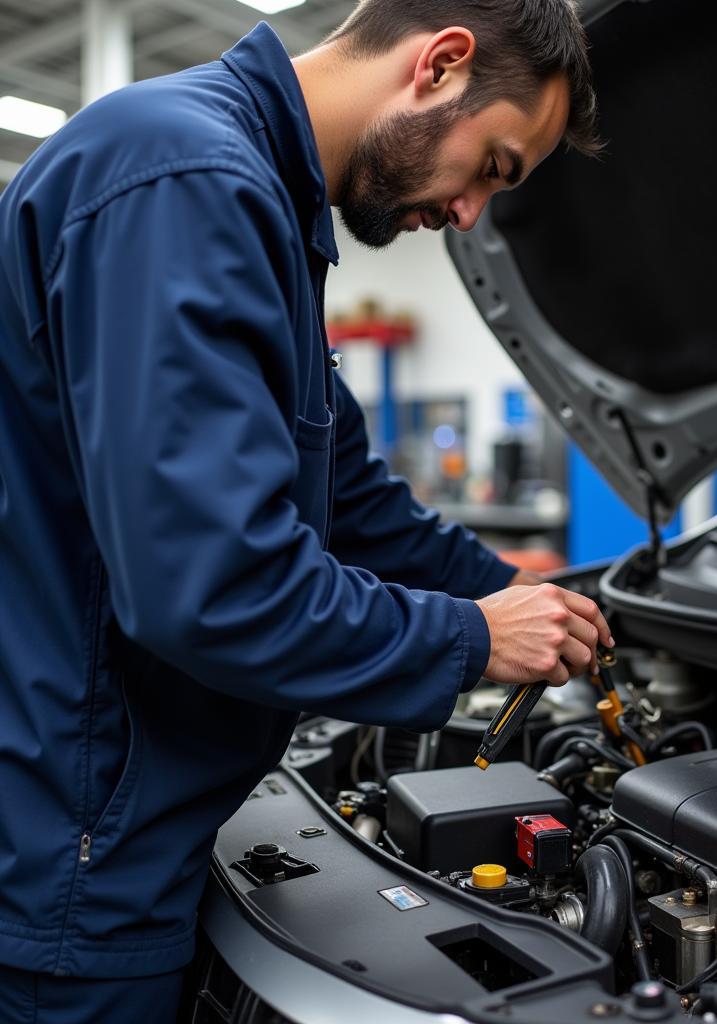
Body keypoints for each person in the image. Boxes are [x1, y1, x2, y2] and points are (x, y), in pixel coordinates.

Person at [0, 1, 604, 1020]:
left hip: (134, 825)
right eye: (494, 168)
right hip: (79, 864)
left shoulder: (259, 206)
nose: (469, 216)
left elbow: (354, 503)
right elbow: (213, 587)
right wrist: (469, 637)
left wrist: (512, 590)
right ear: (441, 65)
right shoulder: (186, 179)